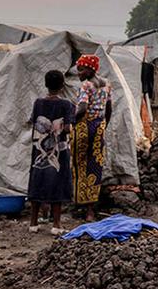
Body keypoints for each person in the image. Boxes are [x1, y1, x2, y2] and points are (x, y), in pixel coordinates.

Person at [28, 70, 73, 234]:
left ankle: (33, 222)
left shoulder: (38, 102)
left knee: (37, 178)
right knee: (58, 182)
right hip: (58, 149)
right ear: (62, 85)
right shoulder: (66, 105)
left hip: (39, 148)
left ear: (46, 85)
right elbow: (67, 128)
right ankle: (56, 224)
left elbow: (34, 121)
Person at [73, 54, 112, 222]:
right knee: (95, 164)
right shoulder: (106, 84)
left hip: (84, 126)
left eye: (81, 70)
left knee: (79, 163)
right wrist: (104, 125)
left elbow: (82, 108)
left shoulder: (86, 85)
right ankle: (91, 210)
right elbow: (109, 108)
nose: (79, 73)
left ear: (90, 69)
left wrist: (71, 120)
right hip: (99, 126)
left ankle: (80, 205)